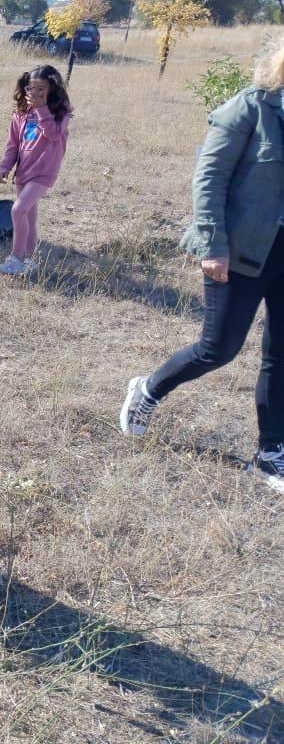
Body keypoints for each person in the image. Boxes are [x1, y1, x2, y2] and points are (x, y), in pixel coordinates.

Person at [120, 39, 284, 493]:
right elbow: (208, 178)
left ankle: (271, 453)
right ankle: (148, 391)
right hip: (241, 251)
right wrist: (213, 244)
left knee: (281, 357)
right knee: (219, 349)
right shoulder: (250, 108)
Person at [0, 65, 73, 276]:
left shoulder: (61, 111)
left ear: (53, 89)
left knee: (17, 210)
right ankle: (29, 260)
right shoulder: (21, 113)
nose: (36, 94)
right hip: (23, 171)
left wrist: (41, 109)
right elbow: (13, 143)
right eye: (32, 89)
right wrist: (5, 166)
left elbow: (54, 134)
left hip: (44, 171)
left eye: (42, 89)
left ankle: (16, 258)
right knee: (28, 217)